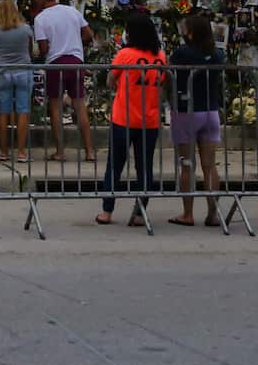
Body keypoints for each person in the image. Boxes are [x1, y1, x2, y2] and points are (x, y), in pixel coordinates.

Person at [96, 14, 168, 226]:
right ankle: (139, 213)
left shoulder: (125, 54)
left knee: (115, 165)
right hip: (150, 119)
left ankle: (107, 211)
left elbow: (111, 79)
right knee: (144, 167)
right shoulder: (160, 57)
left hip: (124, 117)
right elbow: (163, 82)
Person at [169, 15, 225, 227]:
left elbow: (168, 71)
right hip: (211, 112)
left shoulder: (183, 53)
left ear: (191, 32)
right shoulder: (217, 54)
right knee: (210, 165)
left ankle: (188, 213)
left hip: (187, 112)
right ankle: (212, 214)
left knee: (187, 165)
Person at [34, 0, 95, 162]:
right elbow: (88, 34)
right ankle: (89, 151)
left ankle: (60, 151)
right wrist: (74, 40)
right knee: (80, 106)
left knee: (55, 108)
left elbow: (44, 48)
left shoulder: (41, 18)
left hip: (56, 63)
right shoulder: (72, 11)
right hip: (76, 61)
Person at [0, 0, 35, 162]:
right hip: (23, 70)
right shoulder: (26, 29)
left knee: (4, 112)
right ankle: (21, 152)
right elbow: (30, 49)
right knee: (23, 110)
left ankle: (4, 152)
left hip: (3, 72)